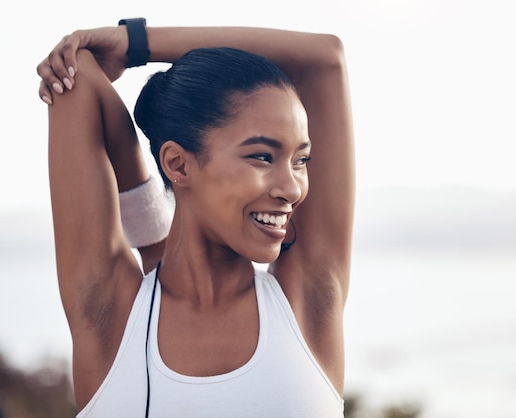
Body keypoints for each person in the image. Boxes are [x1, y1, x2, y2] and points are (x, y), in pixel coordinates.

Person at [37, 20, 354, 417]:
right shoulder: (111, 317)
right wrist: (156, 240)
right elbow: (77, 74)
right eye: (262, 156)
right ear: (177, 164)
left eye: (301, 160)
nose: (292, 189)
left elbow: (327, 58)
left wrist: (135, 43)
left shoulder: (307, 301)